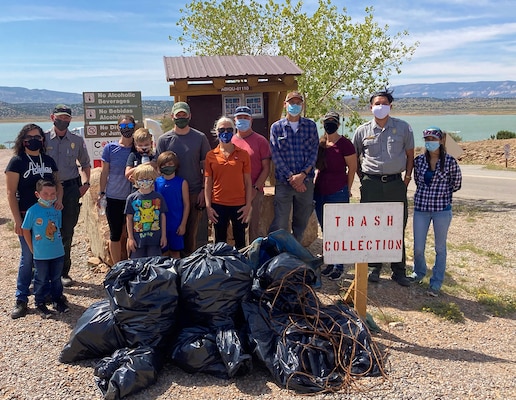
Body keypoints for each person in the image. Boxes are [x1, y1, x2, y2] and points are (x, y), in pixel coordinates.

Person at [352, 89, 414, 286]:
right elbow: (354, 157)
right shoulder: (362, 130)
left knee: (397, 226)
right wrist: (363, 178)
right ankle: (374, 267)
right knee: (371, 225)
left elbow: (410, 155)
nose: (380, 107)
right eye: (377, 104)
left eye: (384, 103)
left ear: (390, 106)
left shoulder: (403, 128)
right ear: (371, 107)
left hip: (396, 184)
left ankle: (399, 270)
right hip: (371, 184)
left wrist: (406, 179)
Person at [5, 123, 62, 319]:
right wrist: (17, 219)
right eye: (29, 137)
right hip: (27, 216)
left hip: (48, 217)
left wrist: (59, 200)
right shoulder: (17, 162)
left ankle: (44, 293)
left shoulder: (48, 160)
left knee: (46, 256)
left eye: (37, 136)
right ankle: (21, 299)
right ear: (23, 140)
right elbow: (11, 193)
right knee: (29, 257)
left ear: (43, 139)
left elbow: (57, 183)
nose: (34, 140)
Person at [411, 127, 462, 296]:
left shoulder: (450, 161)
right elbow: (418, 181)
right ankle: (418, 272)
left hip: (441, 211)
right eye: (427, 139)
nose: (430, 142)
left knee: (440, 248)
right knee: (418, 247)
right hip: (421, 209)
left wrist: (442, 194)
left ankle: (436, 281)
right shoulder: (419, 161)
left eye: (433, 139)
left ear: (440, 141)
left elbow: (456, 184)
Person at [45, 104, 91, 287]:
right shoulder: (43, 138)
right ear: (52, 117)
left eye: (66, 118)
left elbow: (85, 163)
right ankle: (41, 273)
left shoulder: (77, 140)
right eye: (60, 117)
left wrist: (86, 184)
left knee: (66, 231)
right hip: (47, 191)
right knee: (44, 230)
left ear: (70, 120)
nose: (63, 121)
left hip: (71, 189)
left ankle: (63, 273)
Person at [156, 101, 211, 255]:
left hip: (193, 193)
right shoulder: (164, 140)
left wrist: (203, 190)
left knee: (190, 233)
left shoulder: (200, 138)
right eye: (178, 115)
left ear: (189, 116)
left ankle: (189, 267)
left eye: (184, 115)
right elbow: (158, 166)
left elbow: (206, 167)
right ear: (172, 116)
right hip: (168, 194)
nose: (181, 117)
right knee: (167, 232)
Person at [269, 91, 319, 243]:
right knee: (281, 222)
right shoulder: (276, 128)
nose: (294, 106)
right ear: (285, 105)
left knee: (301, 222)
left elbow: (313, 153)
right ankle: (280, 254)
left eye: (298, 103)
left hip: (306, 183)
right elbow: (275, 155)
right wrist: (292, 177)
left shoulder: (310, 126)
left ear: (302, 106)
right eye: (292, 103)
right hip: (284, 183)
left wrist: (302, 175)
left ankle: (296, 253)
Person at [314, 111, 357, 281]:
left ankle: (339, 266)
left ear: (338, 124)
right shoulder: (321, 143)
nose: (329, 124)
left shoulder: (345, 144)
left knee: (339, 230)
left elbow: (352, 168)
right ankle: (330, 262)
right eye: (326, 121)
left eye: (333, 121)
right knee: (327, 230)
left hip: (338, 191)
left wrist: (348, 187)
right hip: (320, 191)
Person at [21, 180, 69, 318]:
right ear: (37, 194)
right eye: (45, 194)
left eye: (53, 194)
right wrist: (31, 248)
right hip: (41, 254)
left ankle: (57, 299)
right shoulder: (32, 211)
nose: (49, 197)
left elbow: (57, 228)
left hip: (57, 252)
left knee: (56, 278)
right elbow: (25, 230)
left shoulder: (56, 209)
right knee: (40, 279)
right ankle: (40, 303)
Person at [205, 117, 252, 250]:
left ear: (234, 130)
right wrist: (208, 207)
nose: (225, 132)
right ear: (216, 131)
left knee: (241, 241)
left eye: (229, 129)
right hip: (218, 204)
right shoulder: (210, 155)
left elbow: (248, 182)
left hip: (239, 205)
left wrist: (248, 205)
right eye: (222, 129)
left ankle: (241, 269)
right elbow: (208, 183)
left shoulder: (243, 154)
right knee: (219, 243)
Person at [98, 115, 135, 265]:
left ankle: (131, 265)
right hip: (114, 197)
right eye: (123, 127)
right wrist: (101, 193)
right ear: (118, 128)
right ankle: (116, 267)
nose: (126, 130)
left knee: (132, 234)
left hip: (133, 198)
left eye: (130, 127)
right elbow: (104, 172)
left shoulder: (138, 148)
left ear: (134, 127)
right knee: (115, 235)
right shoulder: (110, 148)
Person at [231, 105, 271, 243]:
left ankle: (254, 257)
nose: (242, 120)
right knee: (236, 229)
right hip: (234, 193)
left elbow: (266, 168)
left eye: (245, 117)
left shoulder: (261, 141)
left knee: (254, 229)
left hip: (255, 192)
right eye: (239, 117)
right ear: (234, 120)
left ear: (251, 120)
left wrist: (255, 188)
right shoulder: (229, 141)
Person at [125, 164, 168, 259]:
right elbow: (129, 218)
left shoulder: (158, 197)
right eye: (141, 178)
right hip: (138, 240)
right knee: (137, 265)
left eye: (148, 178)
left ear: (153, 179)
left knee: (154, 264)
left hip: (155, 240)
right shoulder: (131, 198)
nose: (144, 181)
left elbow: (162, 216)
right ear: (136, 180)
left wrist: (164, 236)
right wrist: (130, 238)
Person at [155, 151, 190, 258]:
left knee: (176, 252)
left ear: (176, 165)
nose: (167, 167)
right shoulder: (156, 182)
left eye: (170, 164)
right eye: (164, 165)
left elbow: (186, 204)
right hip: (160, 225)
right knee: (163, 253)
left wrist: (183, 224)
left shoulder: (182, 182)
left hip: (176, 224)